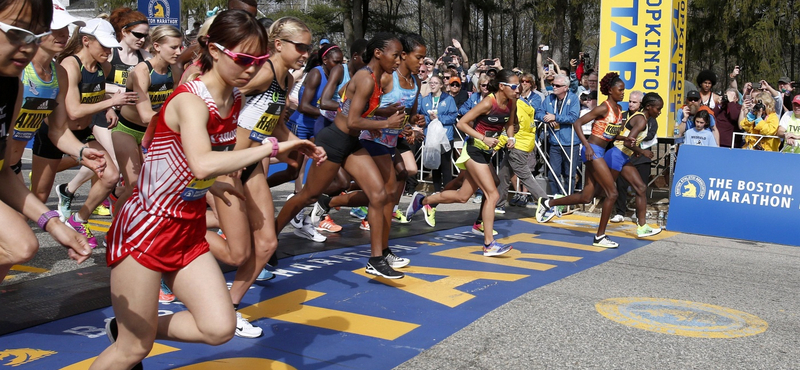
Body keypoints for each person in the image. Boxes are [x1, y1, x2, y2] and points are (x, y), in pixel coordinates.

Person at [93, 10, 317, 369]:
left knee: (219, 328)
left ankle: (131, 330)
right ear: (214, 50)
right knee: (134, 351)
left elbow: (226, 155)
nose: (251, 68)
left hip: (188, 229)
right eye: (243, 59)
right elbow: (201, 163)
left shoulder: (236, 101)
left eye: (258, 61)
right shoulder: (190, 100)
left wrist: (291, 142)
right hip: (146, 229)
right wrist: (273, 149)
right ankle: (133, 336)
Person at [275, 33, 409, 279]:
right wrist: (386, 122)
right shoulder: (366, 78)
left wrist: (384, 111)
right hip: (335, 141)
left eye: (401, 55)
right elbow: (353, 119)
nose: (399, 60)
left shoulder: (375, 78)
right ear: (379, 54)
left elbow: (355, 107)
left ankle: (376, 259)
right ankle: (271, 236)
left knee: (378, 195)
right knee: (309, 195)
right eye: (396, 55)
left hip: (351, 143)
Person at [232, 16, 328, 337]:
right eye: (300, 46)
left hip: (250, 161)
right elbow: (217, 99)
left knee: (265, 241)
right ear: (278, 44)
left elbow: (271, 121)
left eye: (308, 47)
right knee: (238, 239)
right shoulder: (262, 72)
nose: (306, 52)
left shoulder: (285, 79)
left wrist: (300, 143)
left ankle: (229, 306)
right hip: (229, 162)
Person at [0, 0, 104, 282]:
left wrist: (81, 151)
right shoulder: (22, 72)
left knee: (22, 241)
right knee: (19, 241)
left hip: (9, 170)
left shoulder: (16, 84)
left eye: (35, 34)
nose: (27, 45)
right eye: (18, 32)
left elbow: (57, 129)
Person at [406, 69, 519, 257]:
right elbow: (462, 124)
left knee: (462, 196)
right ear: (502, 86)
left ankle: (423, 201)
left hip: (486, 153)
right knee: (492, 194)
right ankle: (489, 244)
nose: (518, 90)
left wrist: (510, 138)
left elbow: (509, 123)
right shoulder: (487, 102)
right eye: (514, 86)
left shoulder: (511, 103)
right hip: (473, 150)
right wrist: (483, 137)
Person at [49, 18, 131, 248]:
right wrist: (110, 103)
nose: (108, 51)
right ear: (86, 41)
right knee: (36, 196)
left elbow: (92, 94)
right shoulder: (70, 65)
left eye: (110, 46)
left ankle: (79, 219)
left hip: (83, 132)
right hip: (59, 133)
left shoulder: (103, 67)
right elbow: (73, 110)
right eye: (103, 46)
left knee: (111, 175)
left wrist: (107, 106)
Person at [536, 72, 627, 248]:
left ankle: (548, 203)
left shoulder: (619, 110)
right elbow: (578, 123)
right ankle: (600, 237)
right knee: (612, 193)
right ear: (610, 90)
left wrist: (625, 139)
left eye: (623, 90)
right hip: (593, 151)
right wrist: (588, 146)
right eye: (620, 90)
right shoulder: (603, 107)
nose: (623, 93)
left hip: (601, 149)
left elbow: (609, 134)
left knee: (586, 197)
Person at [6, 0, 84, 186]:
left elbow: (58, 130)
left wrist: (83, 152)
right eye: (55, 29)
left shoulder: (59, 73)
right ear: (37, 30)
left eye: (66, 27)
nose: (64, 34)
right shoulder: (16, 67)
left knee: (27, 215)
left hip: (11, 166)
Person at [112, 25, 182, 213]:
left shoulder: (174, 70)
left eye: (180, 47)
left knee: (157, 187)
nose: (179, 52)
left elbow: (174, 106)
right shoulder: (141, 71)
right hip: (127, 130)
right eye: (174, 47)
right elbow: (145, 115)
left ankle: (119, 196)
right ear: (157, 46)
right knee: (134, 186)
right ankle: (114, 230)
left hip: (153, 131)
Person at [602, 92, 663, 238]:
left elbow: (624, 137)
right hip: (616, 156)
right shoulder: (641, 120)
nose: (659, 112)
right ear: (648, 107)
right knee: (595, 194)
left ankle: (642, 227)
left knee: (641, 188)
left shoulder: (641, 118)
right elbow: (628, 141)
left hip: (623, 157)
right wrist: (642, 151)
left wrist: (634, 151)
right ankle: (551, 204)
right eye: (658, 108)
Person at [495, 83, 547, 213]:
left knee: (525, 177)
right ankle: (499, 203)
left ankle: (547, 202)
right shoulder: (525, 104)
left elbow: (511, 129)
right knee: (504, 174)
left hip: (517, 145)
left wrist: (496, 145)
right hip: (524, 144)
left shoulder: (514, 106)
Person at [534, 73, 581, 196]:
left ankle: (567, 199)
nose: (554, 87)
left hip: (570, 142)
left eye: (557, 85)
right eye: (553, 84)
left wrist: (556, 117)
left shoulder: (573, 98)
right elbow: (538, 113)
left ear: (566, 87)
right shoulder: (549, 98)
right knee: (553, 173)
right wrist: (547, 119)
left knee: (569, 173)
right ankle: (556, 198)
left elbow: (573, 117)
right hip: (554, 141)